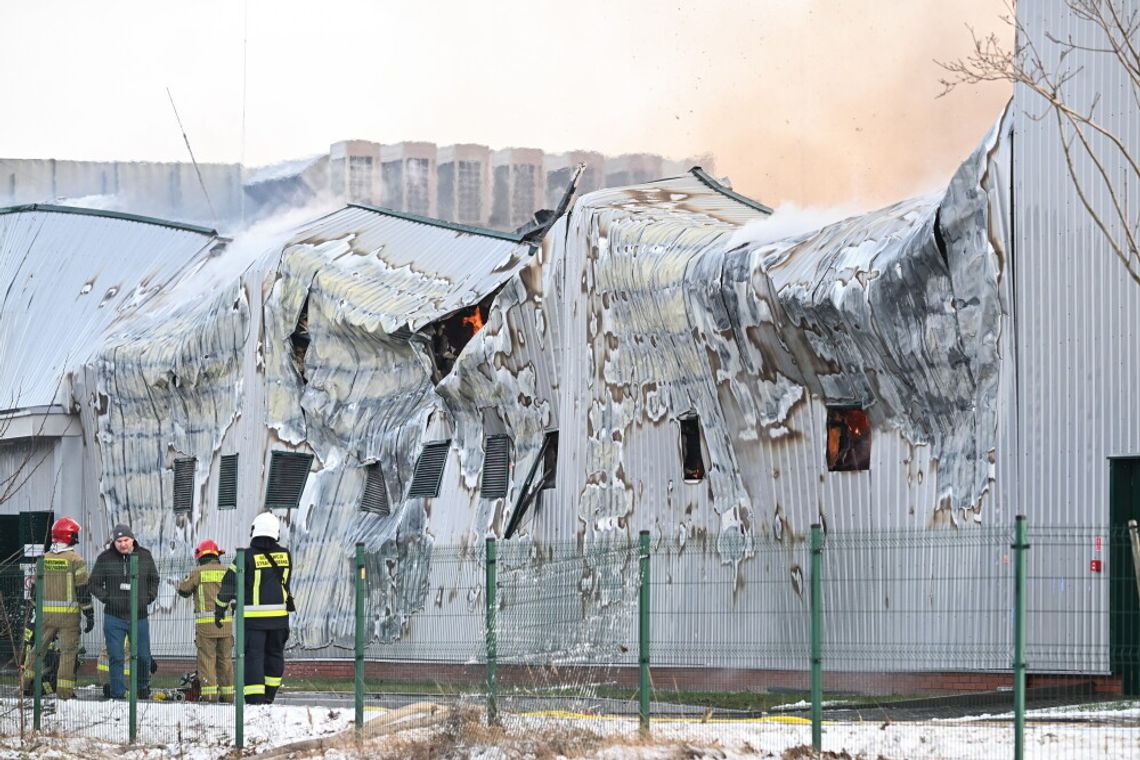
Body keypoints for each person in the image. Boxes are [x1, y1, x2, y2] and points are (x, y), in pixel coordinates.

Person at [216, 512, 295, 704]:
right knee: (275, 655)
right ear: (275, 532)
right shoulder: (285, 555)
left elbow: (228, 584)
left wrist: (220, 609)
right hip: (279, 619)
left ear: (254, 531)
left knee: (254, 657)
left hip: (253, 620)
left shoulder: (246, 556)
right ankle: (269, 695)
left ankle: (254, 699)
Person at [21, 517, 93, 700]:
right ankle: (64, 694)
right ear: (69, 536)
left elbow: (34, 592)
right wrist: (89, 613)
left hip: (45, 616)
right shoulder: (76, 560)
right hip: (69, 618)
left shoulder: (43, 559)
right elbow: (83, 589)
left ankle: (24, 686)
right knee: (68, 653)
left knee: (37, 650)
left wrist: (36, 612)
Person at [88, 523, 159, 700]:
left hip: (139, 616)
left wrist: (148, 597)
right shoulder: (105, 559)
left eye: (126, 540)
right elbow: (93, 583)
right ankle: (117, 694)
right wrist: (108, 598)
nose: (122, 544)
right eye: (118, 541)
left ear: (132, 539)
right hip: (114, 617)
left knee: (143, 656)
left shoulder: (145, 556)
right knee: (116, 656)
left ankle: (142, 687)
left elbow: (154, 579)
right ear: (114, 542)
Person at [177, 539, 235, 703]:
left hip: (206, 628)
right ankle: (229, 696)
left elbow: (183, 589)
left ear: (200, 556)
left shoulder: (198, 572)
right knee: (225, 661)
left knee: (207, 660)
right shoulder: (227, 571)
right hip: (226, 626)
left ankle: (210, 697)